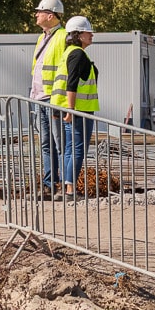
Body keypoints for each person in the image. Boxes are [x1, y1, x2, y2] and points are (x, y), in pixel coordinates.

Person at [55, 16, 100, 193]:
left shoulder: (70, 52)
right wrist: (71, 109)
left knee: (70, 148)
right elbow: (71, 82)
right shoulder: (77, 54)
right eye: (88, 32)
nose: (92, 35)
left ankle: (68, 187)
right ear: (79, 35)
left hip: (72, 109)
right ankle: (70, 189)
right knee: (77, 149)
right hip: (79, 110)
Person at [31, 0, 69, 199]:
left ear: (50, 15)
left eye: (39, 11)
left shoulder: (62, 36)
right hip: (40, 98)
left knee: (59, 142)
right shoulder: (42, 38)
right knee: (46, 143)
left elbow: (65, 70)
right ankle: (49, 185)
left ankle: (64, 185)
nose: (36, 15)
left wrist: (59, 98)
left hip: (54, 100)